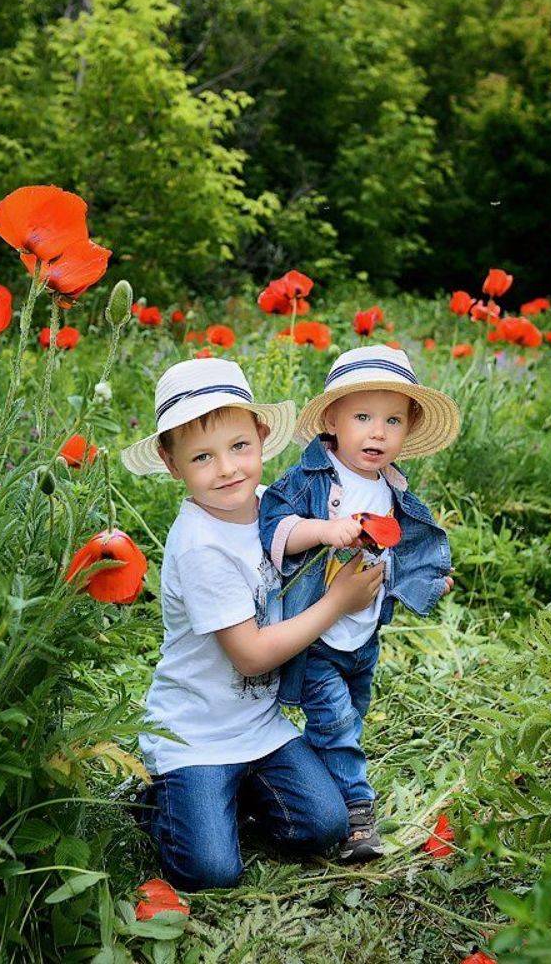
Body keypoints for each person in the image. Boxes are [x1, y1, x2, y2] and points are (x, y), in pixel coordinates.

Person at [120, 357, 385, 890]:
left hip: (258, 726)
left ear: (261, 438)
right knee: (212, 871)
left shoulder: (267, 505)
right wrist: (336, 603)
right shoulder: (200, 546)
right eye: (202, 457)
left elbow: (299, 530)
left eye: (239, 447)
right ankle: (160, 802)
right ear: (173, 466)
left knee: (324, 826)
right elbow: (251, 655)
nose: (227, 469)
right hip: (193, 735)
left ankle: (231, 796)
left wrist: (340, 532)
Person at [259, 344, 460, 862]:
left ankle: (307, 782)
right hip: (317, 634)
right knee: (337, 724)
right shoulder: (312, 480)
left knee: (351, 716)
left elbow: (396, 555)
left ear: (409, 429)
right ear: (331, 419)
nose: (378, 432)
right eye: (363, 417)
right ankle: (356, 816)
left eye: (393, 420)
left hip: (363, 636)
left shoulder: (392, 489)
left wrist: (425, 579)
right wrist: (327, 529)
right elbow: (273, 526)